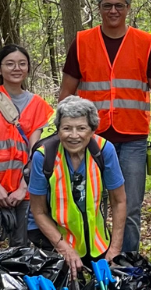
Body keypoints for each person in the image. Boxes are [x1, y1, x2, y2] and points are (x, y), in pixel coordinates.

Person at [58, 0, 151, 255]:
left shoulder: (144, 42)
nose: (113, 10)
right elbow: (66, 90)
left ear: (128, 9)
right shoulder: (83, 41)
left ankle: (128, 261)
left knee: (129, 206)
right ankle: (95, 257)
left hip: (133, 137)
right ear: (99, 9)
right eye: (107, 6)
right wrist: (60, 128)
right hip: (91, 140)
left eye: (119, 5)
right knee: (93, 204)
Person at [27, 96, 127, 275]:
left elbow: (119, 201)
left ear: (92, 131)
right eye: (66, 128)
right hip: (52, 237)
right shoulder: (43, 157)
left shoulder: (104, 150)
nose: (74, 135)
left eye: (81, 128)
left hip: (94, 239)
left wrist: (115, 248)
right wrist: (65, 249)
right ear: (58, 130)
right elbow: (38, 211)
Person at [0, 44, 54, 250]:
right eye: (10, 64)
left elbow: (36, 152)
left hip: (24, 186)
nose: (16, 68)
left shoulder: (37, 104)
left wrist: (23, 188)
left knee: (23, 245)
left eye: (22, 64)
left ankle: (20, 283)